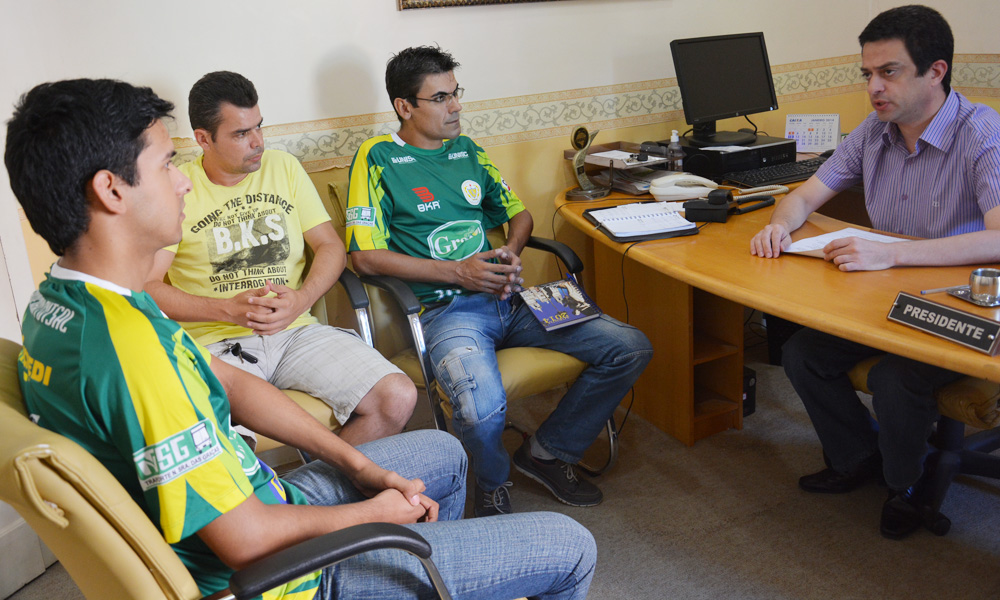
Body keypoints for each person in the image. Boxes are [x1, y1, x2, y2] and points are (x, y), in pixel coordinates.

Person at [8, 77, 596, 600]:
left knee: (440, 451)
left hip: (256, 497)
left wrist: (357, 466)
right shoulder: (129, 356)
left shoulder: (66, 301)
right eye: (165, 164)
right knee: (570, 546)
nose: (182, 184)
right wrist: (376, 513)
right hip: (286, 573)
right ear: (111, 190)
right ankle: (402, 562)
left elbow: (225, 378)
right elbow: (247, 541)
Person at [346, 46, 653, 517]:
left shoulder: (468, 150)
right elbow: (364, 257)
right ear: (404, 107)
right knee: (479, 404)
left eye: (456, 93)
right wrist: (458, 272)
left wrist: (510, 251)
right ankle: (491, 484)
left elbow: (520, 214)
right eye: (441, 97)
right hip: (448, 312)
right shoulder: (379, 157)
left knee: (629, 346)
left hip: (511, 300)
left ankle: (546, 453)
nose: (456, 107)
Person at [749, 5, 1000, 539]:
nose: (874, 88)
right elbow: (805, 195)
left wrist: (892, 254)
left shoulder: (983, 134)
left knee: (896, 377)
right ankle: (858, 457)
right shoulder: (875, 131)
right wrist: (780, 226)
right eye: (868, 73)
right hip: (885, 299)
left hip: (962, 306)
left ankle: (905, 487)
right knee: (803, 354)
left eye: (889, 72)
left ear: (936, 71)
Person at [144, 71, 416, 447]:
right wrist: (226, 311)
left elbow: (330, 246)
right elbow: (145, 287)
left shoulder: (282, 167)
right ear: (203, 139)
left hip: (295, 333)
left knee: (397, 397)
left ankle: (316, 495)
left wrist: (302, 299)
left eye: (258, 127)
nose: (257, 142)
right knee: (215, 441)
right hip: (216, 347)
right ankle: (277, 504)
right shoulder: (179, 188)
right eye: (241, 134)